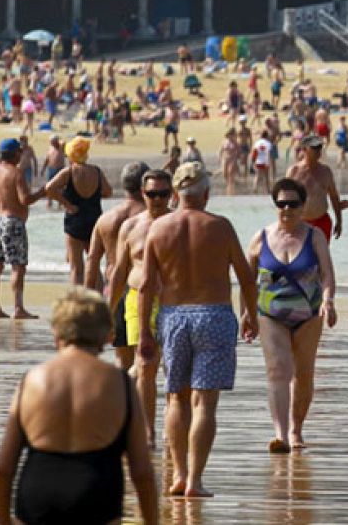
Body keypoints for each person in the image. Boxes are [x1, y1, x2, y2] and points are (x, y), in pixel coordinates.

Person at [136, 163, 258, 498]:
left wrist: (146, 330)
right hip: (214, 315)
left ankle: (179, 474)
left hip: (173, 316)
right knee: (205, 402)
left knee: (176, 397)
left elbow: (146, 284)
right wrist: (251, 315)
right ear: (206, 193)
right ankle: (195, 481)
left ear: (175, 194)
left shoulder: (159, 229)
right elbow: (247, 277)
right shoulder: (220, 227)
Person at [0, 289, 159, 525]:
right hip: (97, 495)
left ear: (57, 332)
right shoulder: (119, 382)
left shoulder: (32, 380)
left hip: (37, 494)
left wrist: (2, 521)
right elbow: (142, 472)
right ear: (107, 335)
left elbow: (2, 470)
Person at [249, 179, 339, 454]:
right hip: (270, 314)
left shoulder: (314, 236)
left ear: (303, 206)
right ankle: (280, 435)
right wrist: (246, 313)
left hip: (309, 314)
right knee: (278, 370)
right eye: (281, 203)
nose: (287, 208)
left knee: (303, 372)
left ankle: (295, 429)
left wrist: (328, 301)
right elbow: (247, 279)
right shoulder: (260, 237)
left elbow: (327, 274)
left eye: (293, 203)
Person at [106, 169, 173, 413]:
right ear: (143, 194)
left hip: (172, 302)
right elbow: (119, 271)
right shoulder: (130, 226)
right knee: (145, 365)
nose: (157, 200)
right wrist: (108, 312)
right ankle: (146, 434)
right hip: (136, 300)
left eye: (163, 194)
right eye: (152, 194)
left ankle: (170, 426)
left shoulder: (177, 225)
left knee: (172, 368)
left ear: (172, 194)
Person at [0, 138, 47, 320]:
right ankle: (18, 308)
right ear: (15, 154)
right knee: (18, 266)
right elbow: (25, 199)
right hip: (12, 222)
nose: (21, 155)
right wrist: (43, 192)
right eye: (20, 152)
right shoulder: (16, 173)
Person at [44, 137, 112, 287]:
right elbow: (108, 192)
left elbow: (49, 188)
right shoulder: (96, 171)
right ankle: (99, 299)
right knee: (93, 263)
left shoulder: (69, 172)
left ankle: (77, 301)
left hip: (75, 219)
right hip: (94, 219)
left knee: (76, 267)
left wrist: (66, 204)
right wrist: (93, 194)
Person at [84, 162, 149, 298]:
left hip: (113, 285)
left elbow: (92, 261)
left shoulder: (106, 218)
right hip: (141, 285)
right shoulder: (150, 218)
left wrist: (86, 298)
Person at [284, 135, 344, 242]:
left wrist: (339, 221)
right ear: (304, 149)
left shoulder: (326, 171)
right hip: (300, 222)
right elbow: (284, 200)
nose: (318, 150)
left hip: (322, 221)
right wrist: (284, 223)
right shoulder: (294, 171)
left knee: (321, 256)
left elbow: (334, 197)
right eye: (315, 147)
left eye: (320, 147)